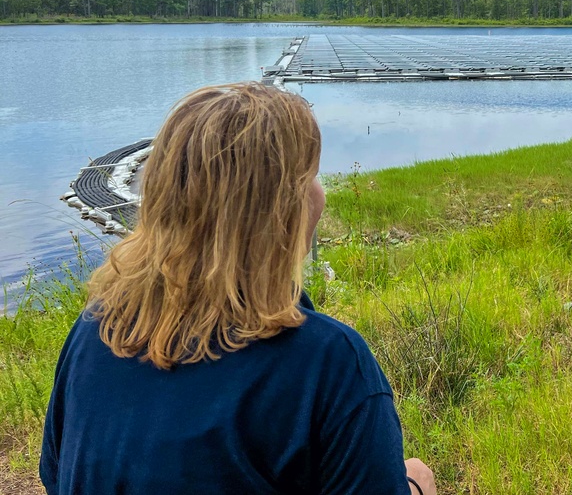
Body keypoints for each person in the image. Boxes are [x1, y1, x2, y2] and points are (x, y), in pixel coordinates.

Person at [40, 82, 435, 495]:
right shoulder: (326, 364)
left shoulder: (96, 328)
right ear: (277, 213)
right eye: (310, 178)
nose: (319, 194)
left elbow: (56, 477)